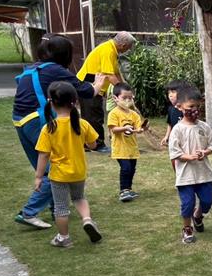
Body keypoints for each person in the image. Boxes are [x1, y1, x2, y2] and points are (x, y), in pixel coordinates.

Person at [14, 34, 103, 229]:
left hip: (20, 121)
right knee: (54, 171)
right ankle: (29, 212)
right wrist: (97, 84)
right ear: (65, 54)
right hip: (36, 120)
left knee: (46, 169)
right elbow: (85, 91)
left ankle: (57, 208)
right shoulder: (55, 69)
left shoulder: (34, 68)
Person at [33, 81, 103, 248]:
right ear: (75, 102)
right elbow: (93, 144)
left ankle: (64, 237)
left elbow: (43, 155)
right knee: (79, 198)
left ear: (51, 102)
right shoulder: (82, 124)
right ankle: (87, 219)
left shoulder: (48, 128)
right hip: (78, 172)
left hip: (59, 175)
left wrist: (38, 176)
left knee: (61, 207)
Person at [168, 87, 212, 244]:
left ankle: (198, 216)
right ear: (180, 107)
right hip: (186, 175)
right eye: (190, 106)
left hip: (204, 173)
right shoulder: (177, 130)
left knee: (207, 201)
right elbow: (174, 152)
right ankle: (187, 228)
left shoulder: (204, 127)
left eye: (197, 106)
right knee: (187, 204)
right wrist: (188, 157)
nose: (194, 109)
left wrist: (205, 152)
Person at [76, 31, 137, 154]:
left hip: (93, 86)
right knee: (94, 116)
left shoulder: (112, 51)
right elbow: (109, 75)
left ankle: (86, 144)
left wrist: (126, 89)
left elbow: (116, 73)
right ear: (123, 45)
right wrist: (122, 92)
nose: (128, 50)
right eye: (129, 47)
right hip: (88, 85)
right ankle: (97, 145)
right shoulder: (108, 50)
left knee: (90, 115)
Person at [107, 83, 145, 202]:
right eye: (124, 98)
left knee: (132, 169)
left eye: (130, 98)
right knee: (126, 168)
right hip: (120, 148)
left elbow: (138, 127)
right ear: (115, 98)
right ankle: (123, 191)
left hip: (132, 147)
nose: (128, 100)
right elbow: (113, 129)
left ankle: (128, 189)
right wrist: (124, 128)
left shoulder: (134, 115)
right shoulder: (114, 113)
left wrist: (140, 129)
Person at [160, 80, 187, 147]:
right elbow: (170, 124)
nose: (170, 95)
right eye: (169, 93)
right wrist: (167, 136)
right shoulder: (170, 109)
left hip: (185, 139)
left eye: (173, 92)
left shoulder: (186, 109)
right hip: (174, 139)